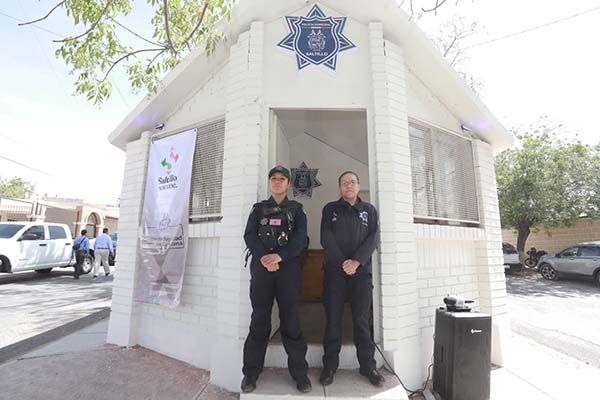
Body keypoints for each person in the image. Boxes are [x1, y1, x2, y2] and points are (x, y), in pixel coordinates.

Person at [241, 165, 311, 394]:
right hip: (262, 270)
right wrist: (264, 257)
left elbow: (300, 239)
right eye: (274, 178)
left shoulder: (297, 210)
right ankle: (251, 373)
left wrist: (279, 256)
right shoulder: (258, 209)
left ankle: (300, 374)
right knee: (259, 320)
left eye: (282, 179)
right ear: (270, 182)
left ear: (288, 184)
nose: (278, 182)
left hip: (288, 271)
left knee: (291, 321)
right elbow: (249, 235)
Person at [319, 171, 384, 387]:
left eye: (353, 182)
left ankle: (368, 366)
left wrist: (356, 261)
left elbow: (373, 238)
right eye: (345, 183)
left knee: (361, 320)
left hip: (361, 272)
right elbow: (326, 237)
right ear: (339, 187)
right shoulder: (330, 209)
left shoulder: (369, 210)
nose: (349, 186)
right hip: (334, 272)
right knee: (333, 319)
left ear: (358, 186)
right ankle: (329, 366)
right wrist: (343, 263)